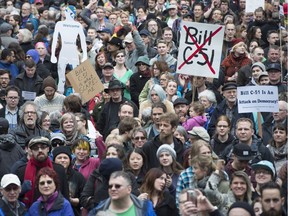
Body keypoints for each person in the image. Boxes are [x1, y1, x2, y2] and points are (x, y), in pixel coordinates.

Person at [14, 136, 69, 208]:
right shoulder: (21, 171)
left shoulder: (59, 169)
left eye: (43, 147)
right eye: (35, 148)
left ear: (48, 149)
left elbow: (65, 195)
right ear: (31, 151)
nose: (40, 150)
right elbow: (16, 198)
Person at [51, 5, 87, 94]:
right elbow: (55, 39)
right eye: (67, 12)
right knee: (61, 75)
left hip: (73, 50)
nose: (69, 14)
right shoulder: (59, 24)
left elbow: (83, 40)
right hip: (64, 50)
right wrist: (52, 55)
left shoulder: (78, 25)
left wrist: (85, 54)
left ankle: (76, 95)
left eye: (72, 13)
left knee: (76, 75)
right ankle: (60, 94)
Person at [88, 171, 156, 216]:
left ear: (129, 189)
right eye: (110, 186)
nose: (113, 189)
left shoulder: (145, 207)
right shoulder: (98, 210)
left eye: (118, 186)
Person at [53, 146, 86, 216]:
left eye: (65, 158)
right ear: (54, 160)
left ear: (70, 160)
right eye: (59, 158)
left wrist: (72, 200)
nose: (62, 160)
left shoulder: (78, 176)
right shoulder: (49, 175)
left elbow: (84, 198)